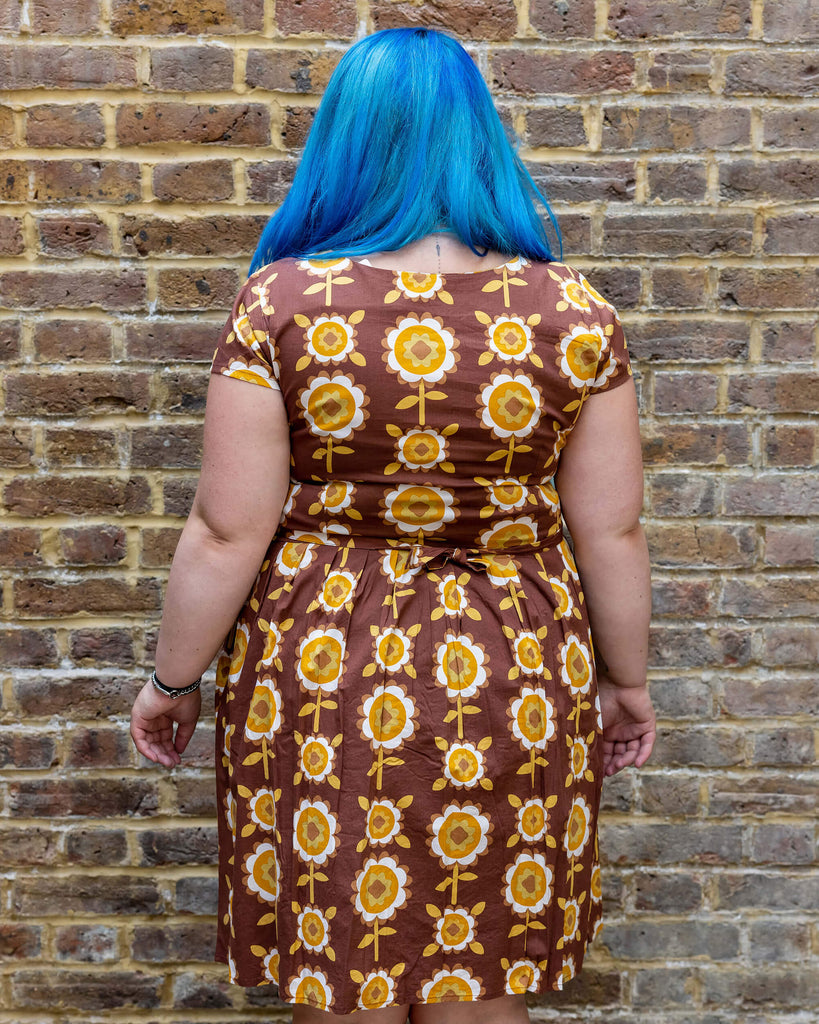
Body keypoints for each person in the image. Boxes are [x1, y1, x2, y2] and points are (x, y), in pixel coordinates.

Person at [130, 26, 655, 1023]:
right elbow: (613, 532)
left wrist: (173, 679)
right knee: (481, 957)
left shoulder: (282, 307)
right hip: (515, 663)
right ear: (481, 142)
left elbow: (225, 530)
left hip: (328, 661)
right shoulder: (574, 316)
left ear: (346, 142)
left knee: (347, 953)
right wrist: (625, 682)